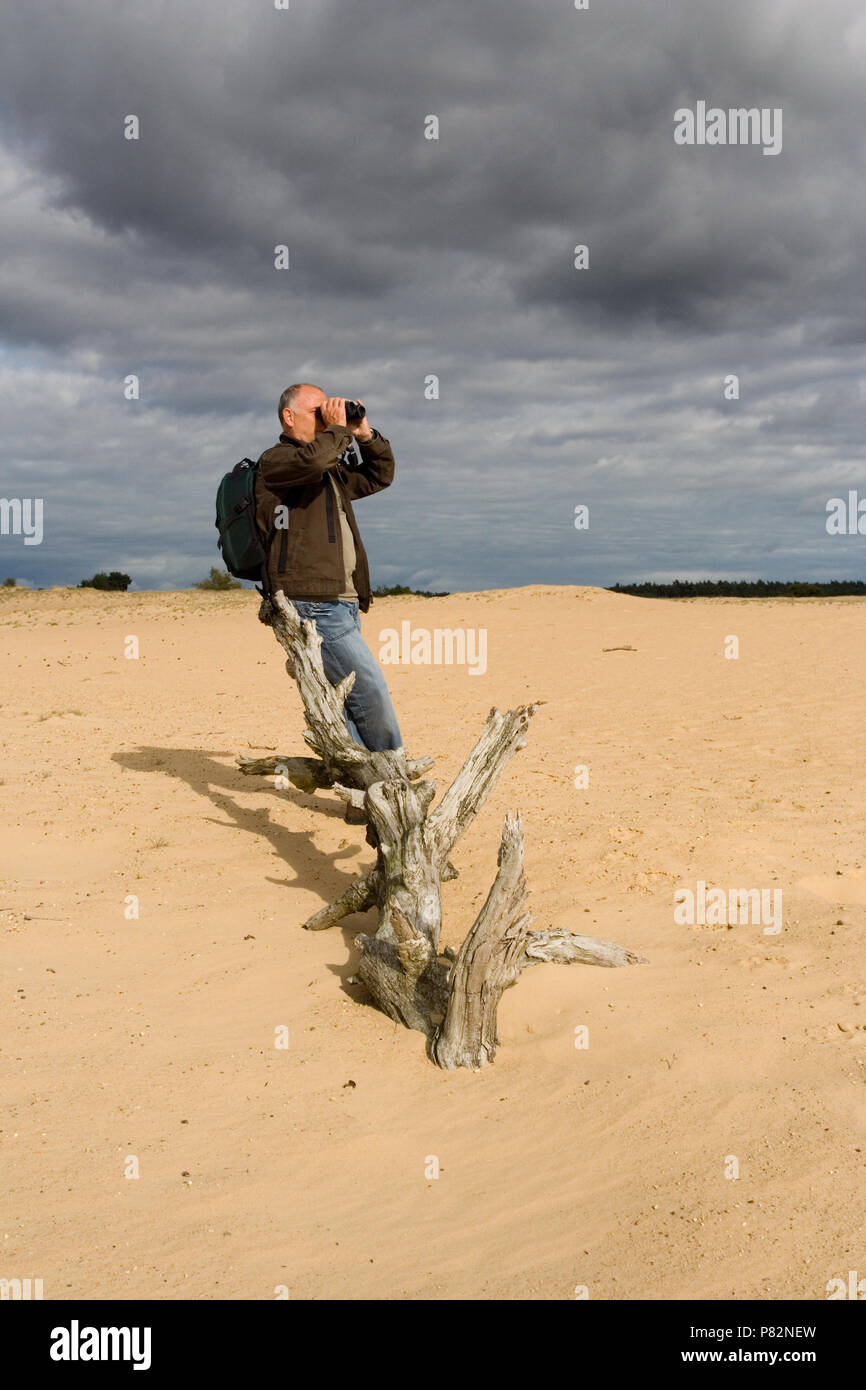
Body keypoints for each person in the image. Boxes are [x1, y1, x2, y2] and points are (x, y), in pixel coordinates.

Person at [255, 382, 403, 753]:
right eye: (317, 413)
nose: (326, 420)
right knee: (369, 688)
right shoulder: (277, 462)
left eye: (328, 412)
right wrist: (337, 430)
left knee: (350, 701)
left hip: (344, 600)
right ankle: (392, 778)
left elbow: (379, 475)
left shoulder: (328, 470)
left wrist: (364, 433)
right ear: (289, 418)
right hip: (314, 602)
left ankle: (364, 789)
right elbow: (315, 460)